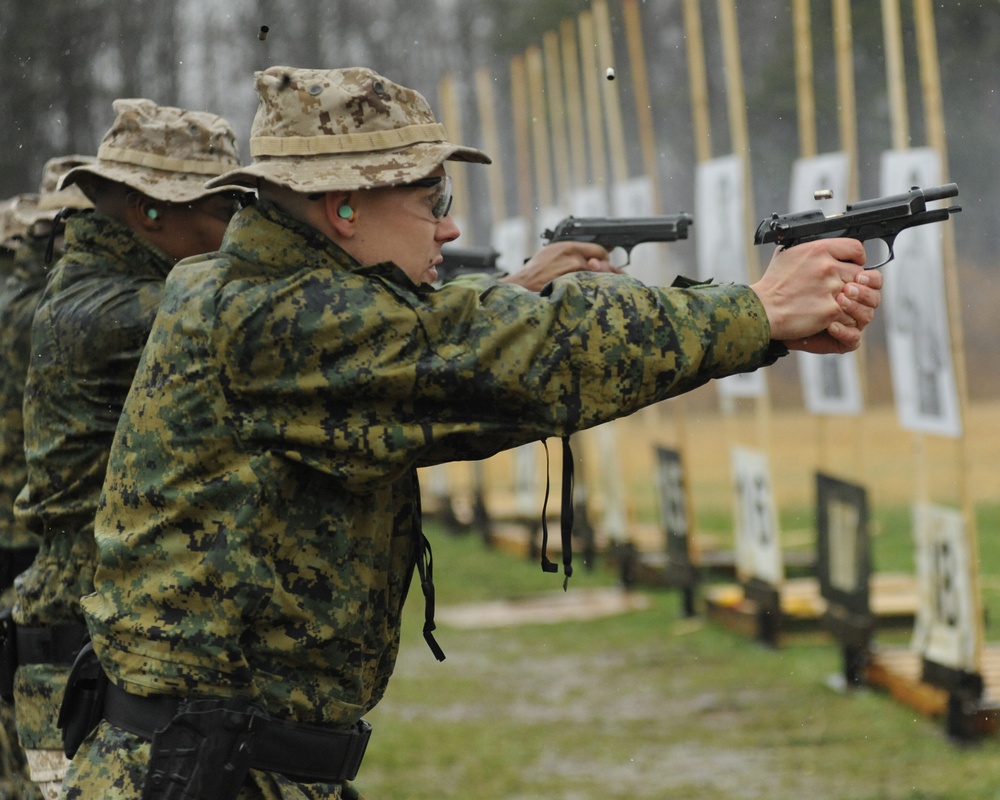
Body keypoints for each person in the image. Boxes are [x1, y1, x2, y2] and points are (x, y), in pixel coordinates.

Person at [62, 66, 880, 800]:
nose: (449, 231)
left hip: (221, 760)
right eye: (431, 203)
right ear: (341, 208)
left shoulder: (242, 289)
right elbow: (527, 359)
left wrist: (757, 331)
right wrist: (759, 308)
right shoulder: (271, 316)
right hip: (204, 770)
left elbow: (468, 367)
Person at [7, 100, 246, 800]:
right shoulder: (119, 310)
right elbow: (276, 322)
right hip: (81, 677)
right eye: (227, 209)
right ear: (151, 209)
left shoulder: (103, 293)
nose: (237, 232)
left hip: (87, 663)